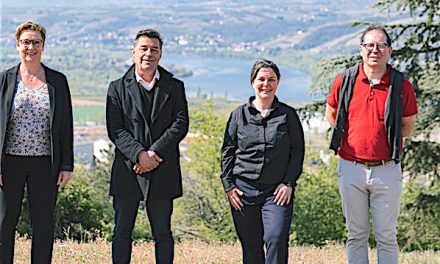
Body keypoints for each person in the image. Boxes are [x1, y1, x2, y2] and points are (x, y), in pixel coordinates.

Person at [325, 24, 418, 264]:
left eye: (380, 45)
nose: (374, 50)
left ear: (390, 50)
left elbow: (408, 126)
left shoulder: (402, 85)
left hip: (386, 169)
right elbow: (331, 114)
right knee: (356, 235)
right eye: (369, 45)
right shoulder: (344, 80)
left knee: (386, 236)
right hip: (350, 167)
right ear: (361, 50)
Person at [106, 28, 189, 264]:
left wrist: (153, 154)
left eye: (154, 49)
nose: (148, 54)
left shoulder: (175, 86)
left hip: (162, 167)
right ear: (134, 52)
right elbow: (116, 130)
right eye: (144, 48)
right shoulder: (117, 87)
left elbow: (180, 123)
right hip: (128, 169)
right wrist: (139, 156)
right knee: (122, 232)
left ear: (161, 54)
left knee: (163, 233)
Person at [0, 21, 74, 263]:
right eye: (26, 42)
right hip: (9, 162)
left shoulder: (57, 81)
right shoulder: (4, 80)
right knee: (4, 221)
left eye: (36, 42)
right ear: (17, 45)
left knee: (43, 224)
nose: (30, 47)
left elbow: (65, 126)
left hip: (45, 163)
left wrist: (67, 165)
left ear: (43, 46)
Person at [220, 59, 305, 264]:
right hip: (243, 192)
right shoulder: (238, 115)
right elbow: (227, 152)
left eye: (271, 80)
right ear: (252, 81)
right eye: (261, 79)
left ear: (278, 82)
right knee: (251, 247)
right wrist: (229, 187)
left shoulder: (288, 115)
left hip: (276, 192)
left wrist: (289, 183)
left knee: (276, 237)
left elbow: (297, 151)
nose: (266, 84)